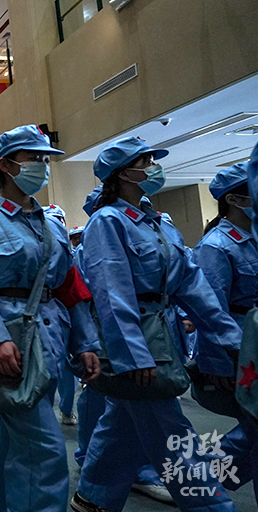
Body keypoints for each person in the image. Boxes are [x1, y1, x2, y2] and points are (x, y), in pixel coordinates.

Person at [71, 136, 242, 512]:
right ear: (122, 174)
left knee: (123, 424)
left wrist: (231, 337)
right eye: (145, 161)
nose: (154, 167)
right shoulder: (108, 221)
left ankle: (93, 497)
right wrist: (133, 354)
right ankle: (212, 506)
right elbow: (112, 293)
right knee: (175, 439)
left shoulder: (156, 223)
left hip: (161, 333)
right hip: (137, 341)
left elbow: (192, 284)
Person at [0, 125, 100, 512]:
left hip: (50, 343)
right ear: (6, 165)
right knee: (44, 454)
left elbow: (70, 286)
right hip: (11, 347)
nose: (42, 166)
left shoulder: (51, 223)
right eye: (33, 158)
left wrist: (85, 342)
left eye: (45, 158)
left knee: (11, 444)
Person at [72, 186, 174, 505]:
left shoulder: (154, 233)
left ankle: (96, 491)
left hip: (149, 327)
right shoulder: (99, 234)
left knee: (123, 412)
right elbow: (102, 296)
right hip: (111, 331)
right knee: (128, 404)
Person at [192, 161, 258, 506]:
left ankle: (203, 481)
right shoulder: (216, 246)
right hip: (241, 347)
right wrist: (217, 362)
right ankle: (201, 482)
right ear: (234, 199)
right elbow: (210, 309)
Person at [44, 205, 80, 427]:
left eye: (59, 219)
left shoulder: (70, 255)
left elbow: (76, 292)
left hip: (63, 316)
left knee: (67, 371)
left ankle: (66, 409)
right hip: (39, 318)